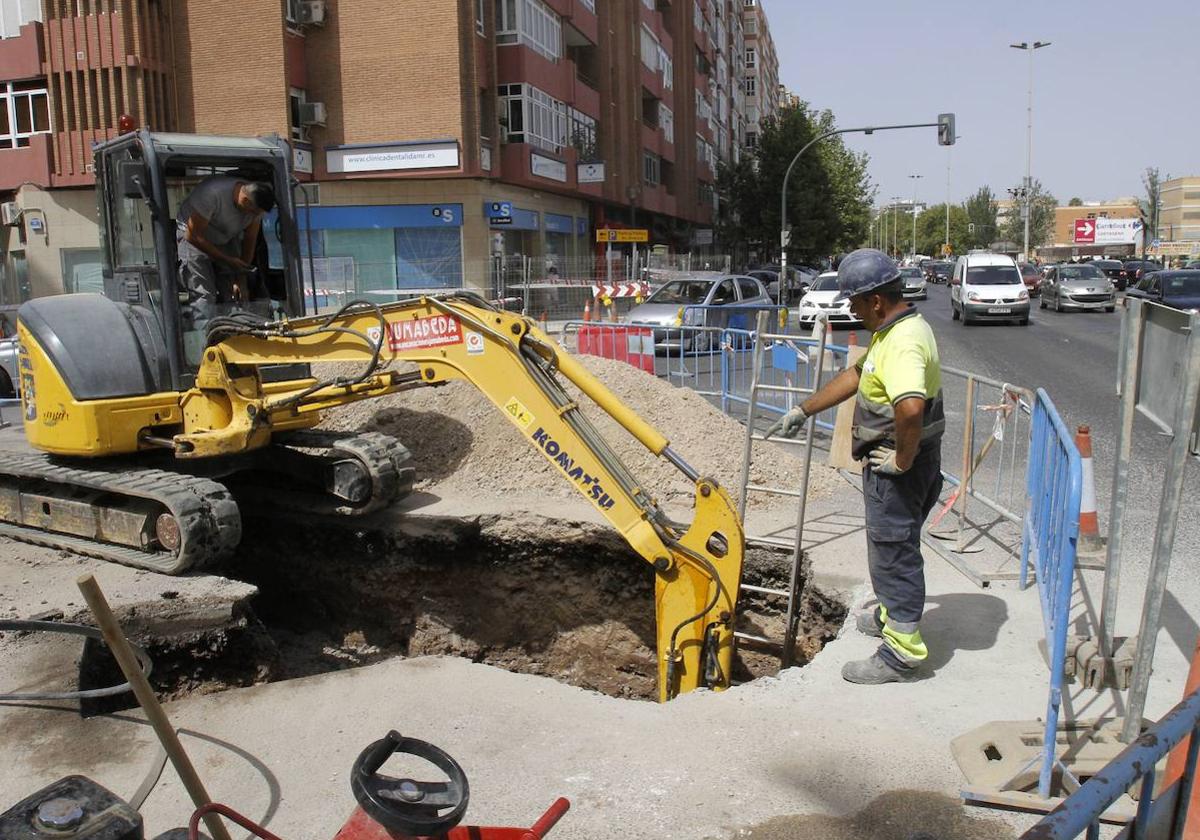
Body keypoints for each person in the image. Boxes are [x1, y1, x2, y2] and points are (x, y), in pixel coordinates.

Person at [766, 248, 945, 685]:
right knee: (892, 547)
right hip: (911, 462)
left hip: (898, 468)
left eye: (854, 302)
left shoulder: (901, 342)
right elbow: (855, 376)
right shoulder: (897, 330)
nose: (851, 309)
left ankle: (901, 655)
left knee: (893, 551)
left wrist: (901, 461)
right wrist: (804, 410)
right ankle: (891, 616)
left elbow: (909, 409)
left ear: (876, 301)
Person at [177, 175, 275, 311]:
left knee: (234, 295)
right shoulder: (211, 194)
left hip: (225, 237)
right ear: (245, 201)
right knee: (205, 296)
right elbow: (193, 235)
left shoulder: (255, 205)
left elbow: (250, 239)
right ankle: (204, 328)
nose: (252, 216)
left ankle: (235, 327)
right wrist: (227, 260)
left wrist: (240, 277)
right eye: (252, 212)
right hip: (193, 238)